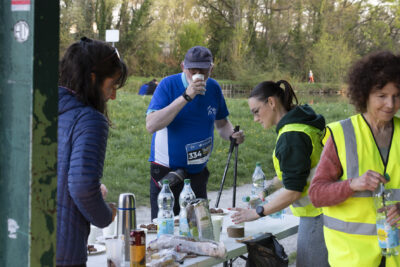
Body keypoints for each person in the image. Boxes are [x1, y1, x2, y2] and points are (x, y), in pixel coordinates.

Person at [309, 51, 400, 267]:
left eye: (397, 95)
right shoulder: (343, 134)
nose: (390, 104)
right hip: (352, 258)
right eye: (382, 96)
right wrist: (353, 184)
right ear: (364, 94)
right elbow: (316, 195)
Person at [231, 80, 329, 267]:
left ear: (271, 102)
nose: (255, 119)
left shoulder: (291, 135)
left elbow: (294, 190)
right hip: (326, 210)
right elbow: (297, 173)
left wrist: (257, 212)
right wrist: (267, 190)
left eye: (256, 111)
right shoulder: (301, 123)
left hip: (318, 215)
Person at [146, 46, 245, 220]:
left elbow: (222, 124)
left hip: (197, 174)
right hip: (168, 174)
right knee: (167, 232)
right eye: (192, 69)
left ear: (211, 69)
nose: (197, 73)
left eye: (203, 70)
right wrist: (186, 97)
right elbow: (151, 125)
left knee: (200, 230)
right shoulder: (168, 85)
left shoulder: (213, 88)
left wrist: (232, 135)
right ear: (183, 66)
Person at [57, 37, 127, 267]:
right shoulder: (90, 120)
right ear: (93, 79)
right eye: (112, 85)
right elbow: (82, 188)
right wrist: (107, 215)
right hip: (63, 251)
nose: (113, 96)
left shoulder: (37, 106)